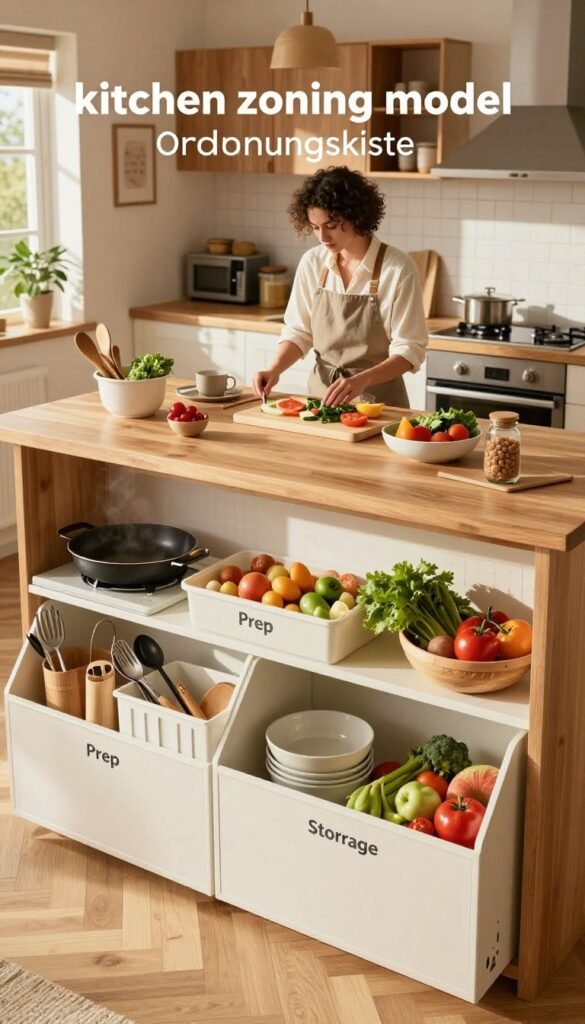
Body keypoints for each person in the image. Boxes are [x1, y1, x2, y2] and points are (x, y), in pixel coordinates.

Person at [252, 165, 428, 408]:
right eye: (315, 227)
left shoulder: (397, 268)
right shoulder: (312, 262)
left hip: (380, 407)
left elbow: (410, 350)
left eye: (331, 225)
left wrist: (361, 380)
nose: (323, 237)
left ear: (356, 216)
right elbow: (299, 332)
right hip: (321, 402)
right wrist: (275, 368)